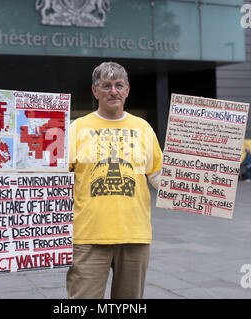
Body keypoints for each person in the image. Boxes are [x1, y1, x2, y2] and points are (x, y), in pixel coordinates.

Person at [66, 62, 162, 299]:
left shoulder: (144, 129)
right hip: (87, 236)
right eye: (106, 85)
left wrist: (193, 188)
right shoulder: (76, 129)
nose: (113, 91)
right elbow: (56, 180)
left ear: (127, 90)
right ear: (95, 90)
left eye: (119, 85)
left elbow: (156, 175)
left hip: (135, 236)